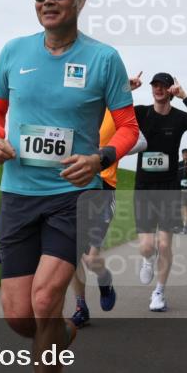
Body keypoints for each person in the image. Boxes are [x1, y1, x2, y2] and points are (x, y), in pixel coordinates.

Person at [0, 0, 140, 373]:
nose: (47, 0)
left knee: (45, 299)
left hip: (75, 195)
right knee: (20, 317)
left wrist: (100, 157)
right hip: (18, 193)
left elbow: (129, 127)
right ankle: (61, 335)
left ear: (79, 1)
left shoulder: (104, 59)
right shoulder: (14, 51)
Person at [70, 73, 148, 328]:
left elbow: (141, 141)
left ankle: (104, 280)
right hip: (73, 186)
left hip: (103, 188)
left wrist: (111, 154)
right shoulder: (77, 108)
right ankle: (81, 306)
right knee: (71, 254)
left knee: (91, 258)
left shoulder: (116, 113)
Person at [134, 73, 187, 312]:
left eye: (163, 86)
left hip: (168, 188)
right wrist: (127, 90)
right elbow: (113, 114)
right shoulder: (141, 113)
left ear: (170, 91)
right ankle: (147, 259)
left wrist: (185, 97)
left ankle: (159, 292)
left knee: (165, 244)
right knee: (147, 246)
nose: (158, 89)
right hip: (144, 188)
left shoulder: (179, 118)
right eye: (155, 85)